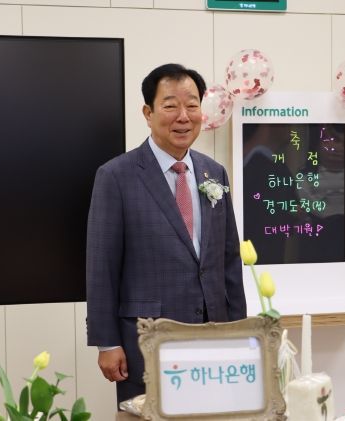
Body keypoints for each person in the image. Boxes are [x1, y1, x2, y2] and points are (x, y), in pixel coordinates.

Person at [85, 63, 247, 405]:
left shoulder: (213, 172)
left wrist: (240, 332)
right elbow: (101, 266)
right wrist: (107, 342)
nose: (183, 117)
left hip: (213, 336)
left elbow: (229, 260)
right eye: (171, 106)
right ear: (148, 113)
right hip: (148, 339)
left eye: (192, 105)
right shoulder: (116, 176)